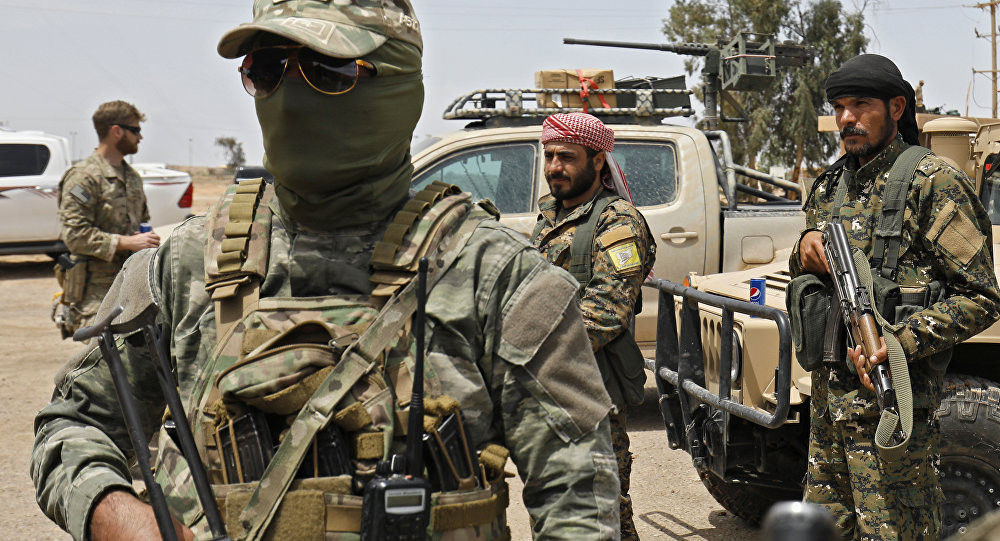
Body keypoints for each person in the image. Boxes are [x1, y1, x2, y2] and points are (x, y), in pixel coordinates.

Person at [31, 2, 621, 540]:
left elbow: (578, 498)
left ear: (399, 89)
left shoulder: (496, 275)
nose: (290, 96)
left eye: (328, 70)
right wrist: (113, 512)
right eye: (267, 69)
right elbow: (72, 424)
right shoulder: (184, 264)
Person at [789, 54, 1000, 539]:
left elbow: (981, 296)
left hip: (892, 418)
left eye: (861, 104)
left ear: (897, 107)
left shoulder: (933, 183)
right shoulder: (831, 186)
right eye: (839, 108)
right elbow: (807, 272)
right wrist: (803, 252)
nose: (847, 118)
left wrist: (899, 342)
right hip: (828, 415)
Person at [531, 112, 656, 541]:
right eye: (550, 155)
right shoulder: (550, 216)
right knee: (555, 503)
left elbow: (605, 312)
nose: (554, 166)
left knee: (602, 507)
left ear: (598, 160)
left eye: (566, 156)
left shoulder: (617, 222)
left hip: (591, 388)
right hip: (550, 385)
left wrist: (529, 352)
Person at [53, 100, 160, 337]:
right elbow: (75, 235)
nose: (140, 137)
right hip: (95, 292)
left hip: (131, 285)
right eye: (135, 130)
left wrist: (145, 240)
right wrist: (126, 242)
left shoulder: (132, 177)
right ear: (116, 131)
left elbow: (142, 222)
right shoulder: (84, 177)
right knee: (104, 352)